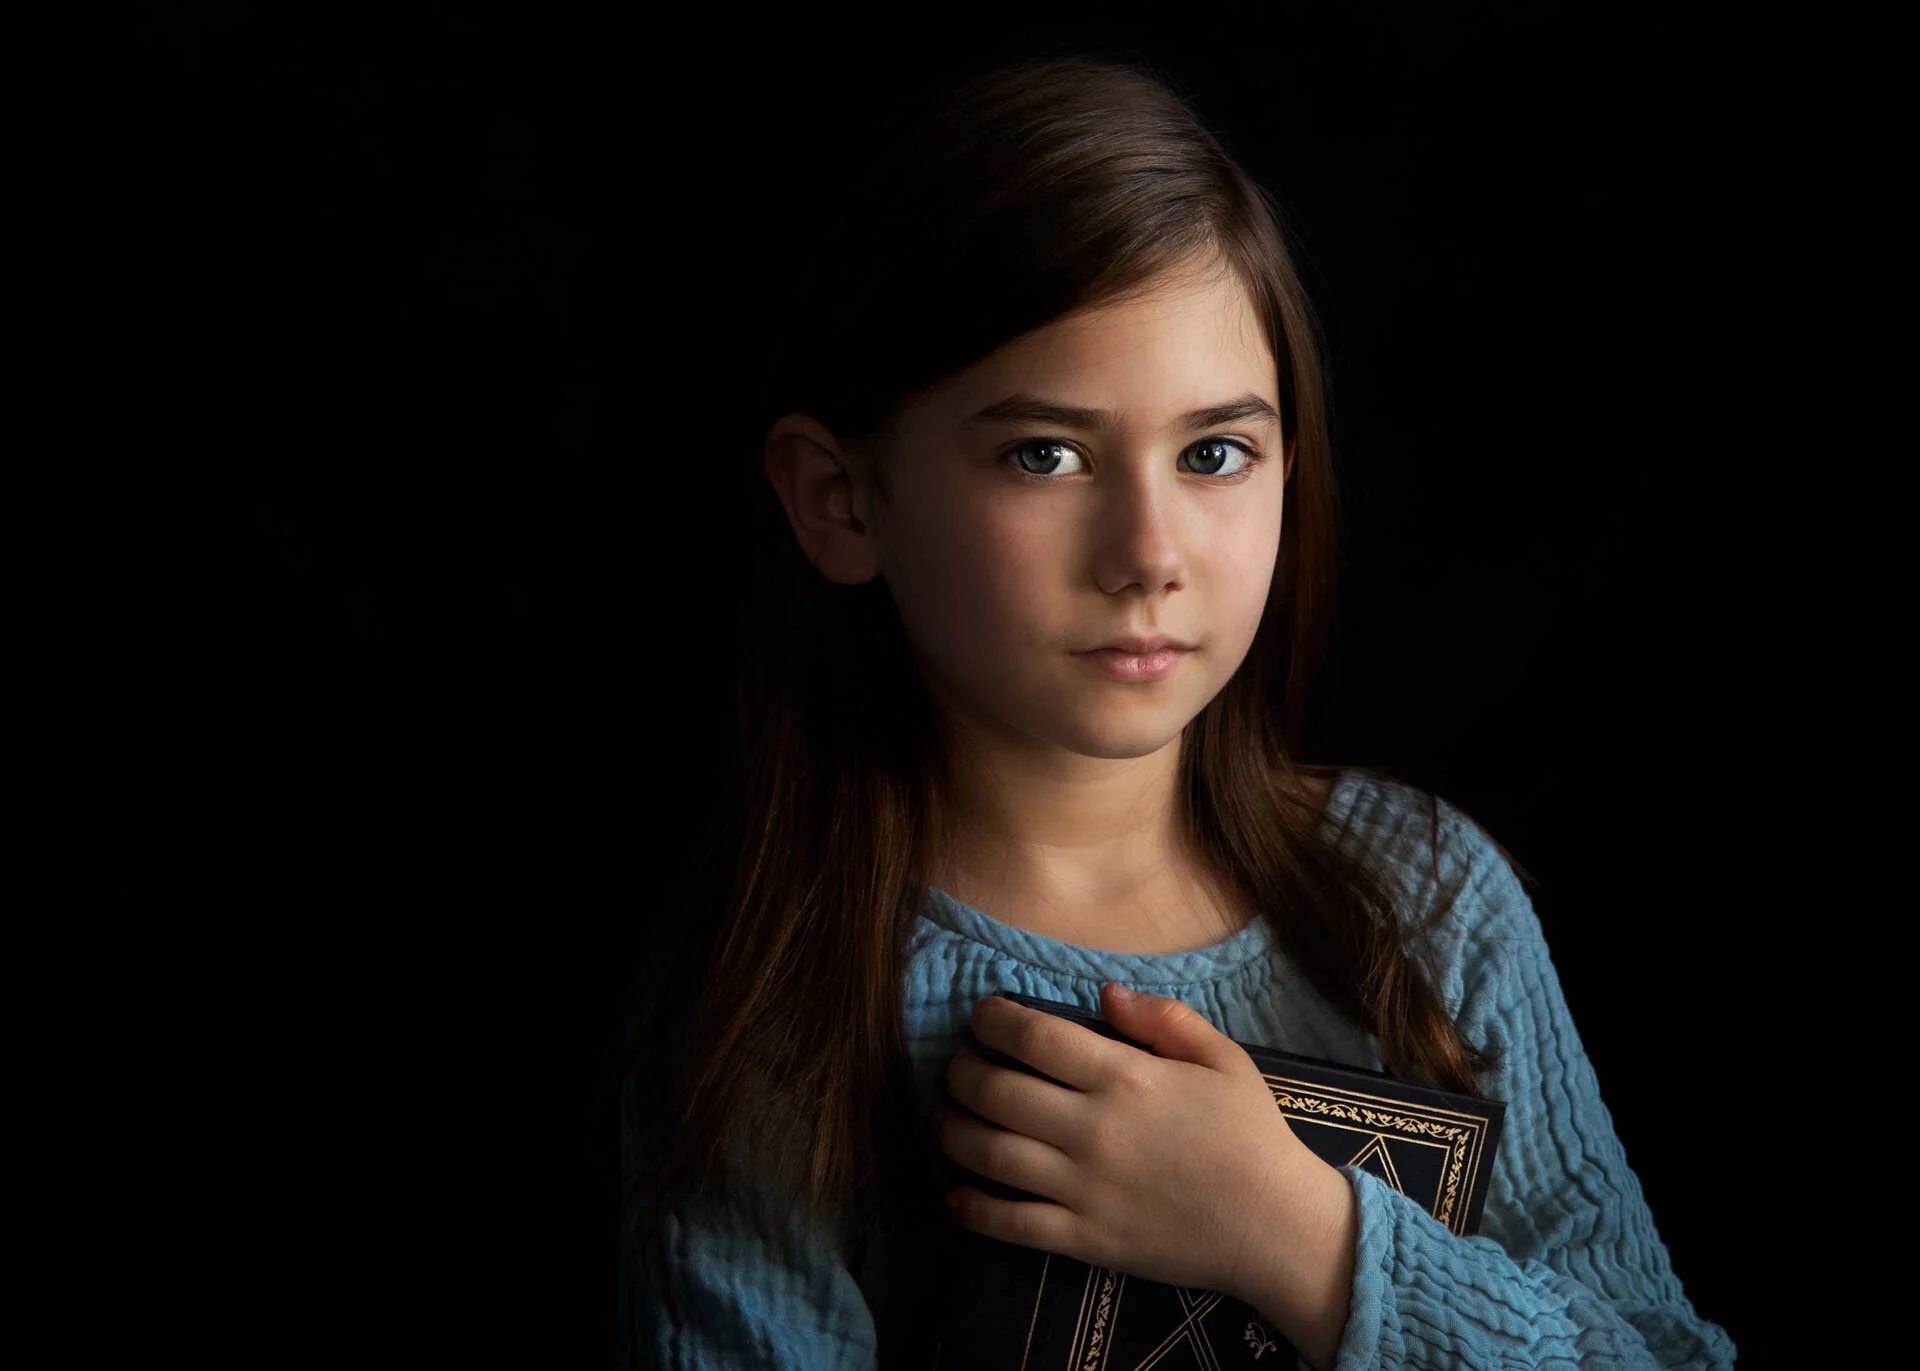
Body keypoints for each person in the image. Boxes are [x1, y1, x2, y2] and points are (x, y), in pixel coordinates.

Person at [616, 52, 1736, 1371]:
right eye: (1046, 453)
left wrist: (1300, 1237)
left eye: (1214, 453)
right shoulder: (785, 1011)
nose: (1149, 550)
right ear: (839, 501)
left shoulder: (1422, 900)